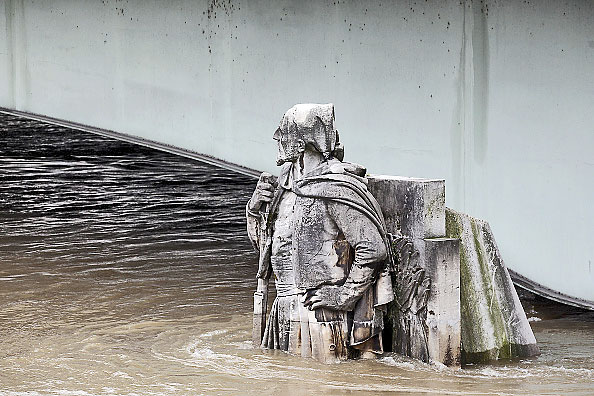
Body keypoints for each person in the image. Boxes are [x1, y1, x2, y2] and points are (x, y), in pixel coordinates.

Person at [246, 104, 393, 363]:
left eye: (284, 132)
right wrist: (254, 210)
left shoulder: (335, 187)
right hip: (282, 309)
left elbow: (373, 247)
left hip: (321, 317)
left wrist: (342, 296)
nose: (277, 138)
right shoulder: (283, 185)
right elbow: (269, 250)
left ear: (302, 143)